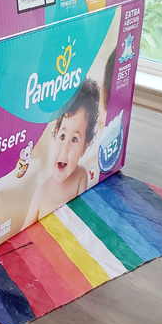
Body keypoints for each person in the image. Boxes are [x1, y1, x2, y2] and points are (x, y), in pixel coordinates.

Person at [32, 78, 100, 220]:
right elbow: (25, 228)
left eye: (74, 139)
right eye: (62, 136)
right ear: (55, 136)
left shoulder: (81, 175)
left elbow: (82, 214)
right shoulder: (41, 193)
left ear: (84, 148)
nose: (65, 147)